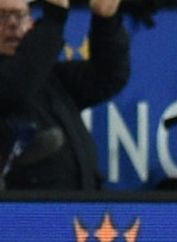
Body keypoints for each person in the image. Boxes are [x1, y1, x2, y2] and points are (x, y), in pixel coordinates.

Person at [0, 0, 130, 190]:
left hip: (77, 210)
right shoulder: (19, 79)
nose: (12, 24)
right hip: (22, 214)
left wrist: (106, 21)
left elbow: (108, 75)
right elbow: (16, 88)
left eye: (20, 15)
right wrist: (54, 17)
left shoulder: (51, 78)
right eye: (2, 16)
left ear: (31, 23)